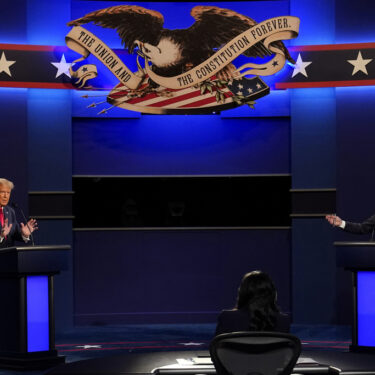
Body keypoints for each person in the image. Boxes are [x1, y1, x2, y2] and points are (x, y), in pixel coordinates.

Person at [215, 270, 290, 336]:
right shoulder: (283, 321)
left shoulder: (227, 318)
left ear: (242, 293)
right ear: (272, 294)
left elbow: (216, 350)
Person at [0, 178, 38, 248]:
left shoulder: (10, 211)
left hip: (8, 256)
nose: (6, 196)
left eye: (8, 193)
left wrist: (24, 234)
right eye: (2, 192)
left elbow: (14, 234)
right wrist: (1, 236)